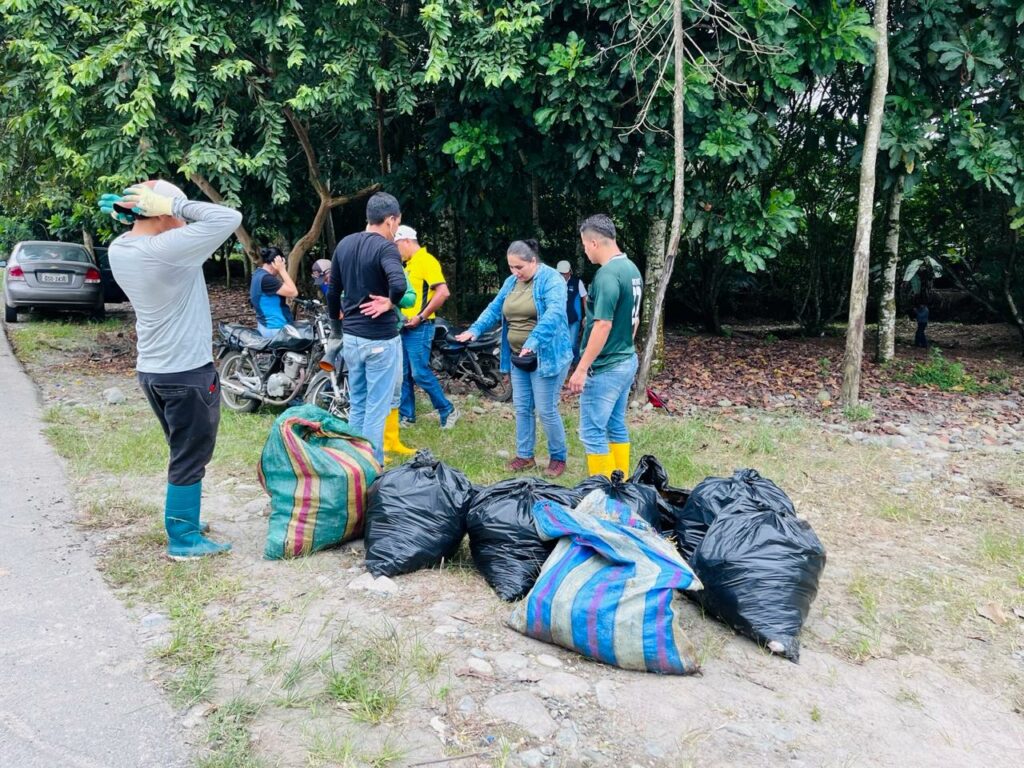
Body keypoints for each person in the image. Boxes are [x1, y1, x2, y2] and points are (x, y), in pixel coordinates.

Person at [98, 180, 240, 559]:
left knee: (182, 449)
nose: (179, 215)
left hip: (153, 371)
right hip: (186, 372)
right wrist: (176, 204)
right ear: (158, 210)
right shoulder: (165, 250)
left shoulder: (121, 246)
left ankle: (186, 518)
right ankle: (183, 539)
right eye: (170, 208)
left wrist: (150, 209)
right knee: (190, 455)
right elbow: (229, 217)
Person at [456, 240, 572, 477]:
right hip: (519, 357)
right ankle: (525, 456)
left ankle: (558, 458)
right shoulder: (511, 283)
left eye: (519, 267)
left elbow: (554, 313)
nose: (514, 272)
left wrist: (533, 341)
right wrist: (475, 330)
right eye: (511, 267)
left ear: (533, 261)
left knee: (546, 409)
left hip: (546, 355)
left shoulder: (552, 280)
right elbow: (494, 309)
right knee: (522, 407)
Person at [324, 192, 409, 466]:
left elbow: (332, 292)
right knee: (376, 408)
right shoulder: (386, 248)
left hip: (352, 339)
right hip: (380, 341)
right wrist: (390, 303)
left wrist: (337, 329)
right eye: (396, 224)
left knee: (358, 403)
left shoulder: (344, 245)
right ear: (391, 220)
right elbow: (399, 284)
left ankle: (352, 465)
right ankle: (372, 467)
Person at [567, 214, 643, 479]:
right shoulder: (632, 269)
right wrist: (625, 348)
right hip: (626, 359)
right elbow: (635, 319)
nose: (585, 250)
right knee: (615, 425)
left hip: (606, 367)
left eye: (585, 245)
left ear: (594, 243)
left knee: (592, 431)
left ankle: (602, 495)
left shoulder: (607, 275)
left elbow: (602, 325)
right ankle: (621, 486)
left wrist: (581, 368)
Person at [394, 225, 459, 430]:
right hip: (404, 326)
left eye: (396, 246)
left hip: (420, 327)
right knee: (402, 373)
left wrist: (421, 317)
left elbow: (443, 292)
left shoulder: (426, 260)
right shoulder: (408, 264)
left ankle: (448, 410)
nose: (396, 251)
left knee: (419, 373)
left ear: (405, 241)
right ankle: (407, 416)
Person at [250, 246, 298, 338]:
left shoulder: (258, 274)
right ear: (276, 263)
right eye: (283, 264)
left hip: (265, 325)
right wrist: (282, 270)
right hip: (275, 328)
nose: (284, 266)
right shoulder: (266, 279)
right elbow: (293, 292)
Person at [557, 259, 588, 365]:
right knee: (561, 343)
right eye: (561, 273)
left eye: (565, 273)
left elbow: (585, 298)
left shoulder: (577, 282)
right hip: (560, 319)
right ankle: (567, 364)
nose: (563, 275)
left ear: (570, 271)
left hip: (574, 318)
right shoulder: (555, 283)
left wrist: (587, 315)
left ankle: (575, 361)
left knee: (572, 344)